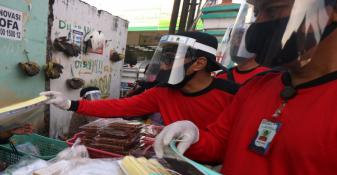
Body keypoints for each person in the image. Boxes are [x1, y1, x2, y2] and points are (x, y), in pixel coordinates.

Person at [154, 0, 337, 175]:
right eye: (256, 12)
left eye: (273, 10)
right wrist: (191, 136)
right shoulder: (257, 88)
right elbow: (217, 143)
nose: (260, 23)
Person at [41, 31, 239, 130]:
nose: (163, 66)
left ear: (199, 63)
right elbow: (120, 107)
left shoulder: (233, 96)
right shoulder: (162, 93)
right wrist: (69, 103)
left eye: (170, 60)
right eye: (163, 59)